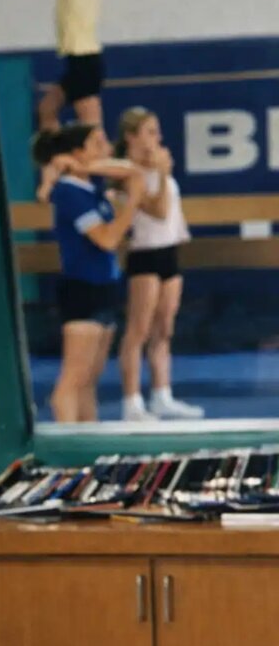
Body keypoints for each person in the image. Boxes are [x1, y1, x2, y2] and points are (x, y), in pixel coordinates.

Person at [32, 122, 145, 422]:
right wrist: (132, 204)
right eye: (97, 143)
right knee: (72, 380)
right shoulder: (69, 192)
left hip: (104, 287)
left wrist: (86, 166)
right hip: (82, 289)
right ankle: (67, 445)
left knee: (89, 381)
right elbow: (106, 239)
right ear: (77, 151)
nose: (106, 148)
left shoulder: (90, 188)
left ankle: (88, 441)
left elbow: (133, 171)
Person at [114, 107, 204, 421]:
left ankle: (161, 395)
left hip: (168, 252)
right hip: (145, 254)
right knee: (137, 330)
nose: (158, 138)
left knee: (164, 329)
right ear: (131, 136)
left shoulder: (156, 168)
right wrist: (163, 174)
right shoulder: (126, 173)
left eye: (157, 131)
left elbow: (172, 217)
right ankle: (131, 402)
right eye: (150, 132)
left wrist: (161, 171)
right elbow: (159, 210)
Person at [38, 0, 111, 131]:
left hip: (84, 61)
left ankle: (98, 150)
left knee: (92, 131)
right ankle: (54, 147)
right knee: (46, 110)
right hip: (79, 61)